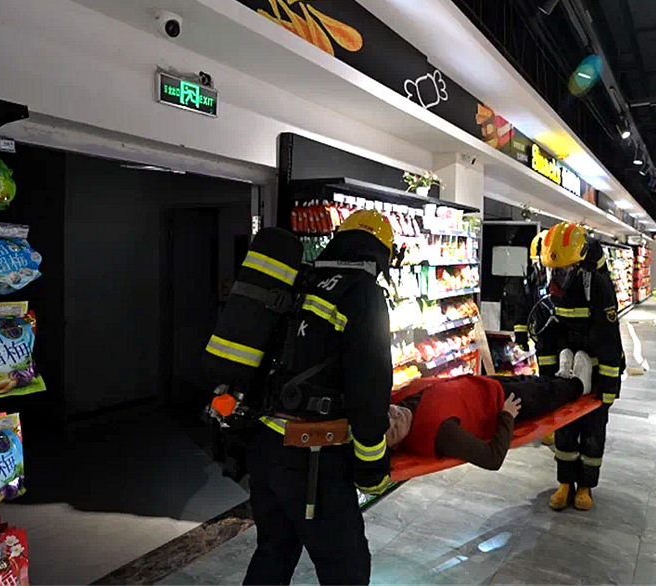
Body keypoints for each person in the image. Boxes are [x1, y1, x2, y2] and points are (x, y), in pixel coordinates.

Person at [242, 210, 394, 586]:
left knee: (273, 553)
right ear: (382, 255)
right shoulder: (363, 292)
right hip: (313, 459)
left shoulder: (302, 280)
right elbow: (369, 389)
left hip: (263, 445)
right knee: (346, 568)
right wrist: (372, 468)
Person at [534, 222, 624, 512]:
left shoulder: (597, 287)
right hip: (566, 371)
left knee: (593, 432)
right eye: (552, 271)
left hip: (596, 371)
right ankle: (565, 483)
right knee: (564, 430)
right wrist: (547, 382)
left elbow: (610, 340)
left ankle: (585, 486)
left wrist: (609, 386)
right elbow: (547, 339)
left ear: (579, 265)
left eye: (562, 271)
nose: (556, 279)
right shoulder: (550, 290)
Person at [385, 372, 589, 470]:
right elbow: (492, 459)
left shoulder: (400, 400)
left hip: (486, 383)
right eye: (393, 431)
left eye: (389, 414)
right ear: (395, 446)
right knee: (551, 393)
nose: (397, 417)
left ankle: (567, 376)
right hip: (504, 402)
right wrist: (507, 415)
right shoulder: (437, 434)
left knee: (538, 381)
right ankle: (581, 384)